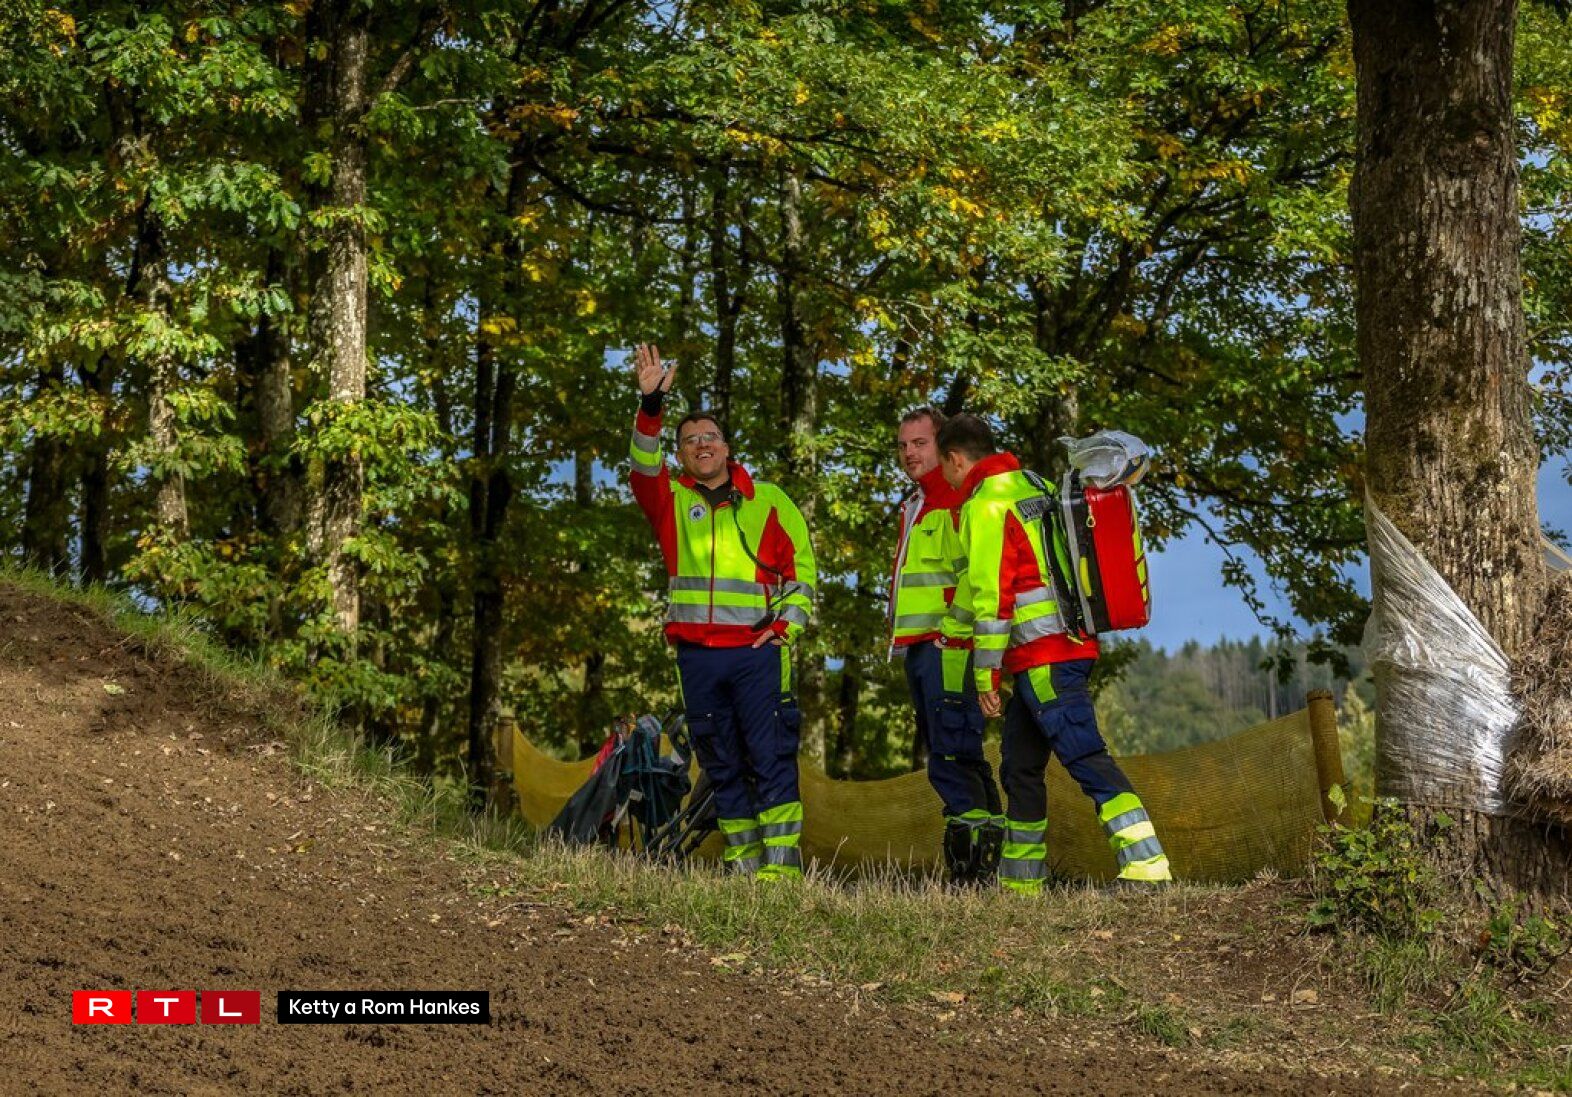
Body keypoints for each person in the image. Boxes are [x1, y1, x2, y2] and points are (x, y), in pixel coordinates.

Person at [935, 414, 1172, 892]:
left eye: (943, 466)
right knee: (1019, 767)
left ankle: (1147, 866)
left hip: (1045, 655)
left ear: (956, 460)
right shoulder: (1036, 485)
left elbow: (992, 596)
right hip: (1066, 645)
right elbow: (985, 583)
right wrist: (949, 629)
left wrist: (984, 676)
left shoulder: (985, 506)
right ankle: (1021, 883)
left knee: (1085, 756)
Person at [627, 343, 816, 880]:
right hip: (697, 658)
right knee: (721, 762)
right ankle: (743, 868)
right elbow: (641, 464)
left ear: (728, 448)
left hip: (758, 654)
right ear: (681, 455)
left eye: (710, 436)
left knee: (770, 757)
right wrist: (651, 406)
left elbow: (803, 573)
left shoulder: (770, 500)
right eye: (690, 441)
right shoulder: (669, 498)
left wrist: (786, 628)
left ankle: (780, 873)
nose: (701, 444)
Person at [888, 406, 1003, 885]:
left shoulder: (957, 500)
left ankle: (972, 872)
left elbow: (976, 577)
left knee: (952, 755)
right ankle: (987, 863)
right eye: (903, 445)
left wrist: (951, 634)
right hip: (922, 649)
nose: (909, 453)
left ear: (946, 447)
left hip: (949, 649)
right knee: (955, 752)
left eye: (920, 443)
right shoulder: (917, 504)